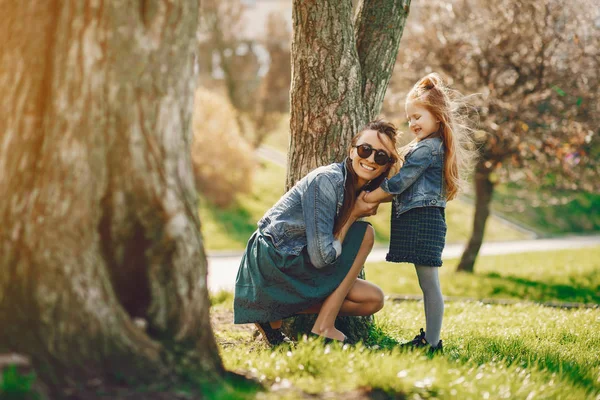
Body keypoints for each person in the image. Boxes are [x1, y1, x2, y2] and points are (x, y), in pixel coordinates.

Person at [234, 120, 400, 345]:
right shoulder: (327, 181)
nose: (370, 159)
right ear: (352, 151)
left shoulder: (359, 189)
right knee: (365, 235)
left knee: (373, 300)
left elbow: (404, 179)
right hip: (277, 260)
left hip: (299, 261)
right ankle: (291, 313)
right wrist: (352, 215)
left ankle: (285, 310)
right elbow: (321, 258)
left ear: (385, 165)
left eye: (380, 157)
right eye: (365, 149)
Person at [363, 73, 476, 353]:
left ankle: (434, 342)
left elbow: (401, 182)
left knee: (429, 283)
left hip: (425, 221)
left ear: (437, 116)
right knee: (426, 282)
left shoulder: (429, 148)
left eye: (417, 117)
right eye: (409, 118)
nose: (412, 123)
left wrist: (371, 197)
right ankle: (431, 339)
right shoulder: (422, 145)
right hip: (421, 218)